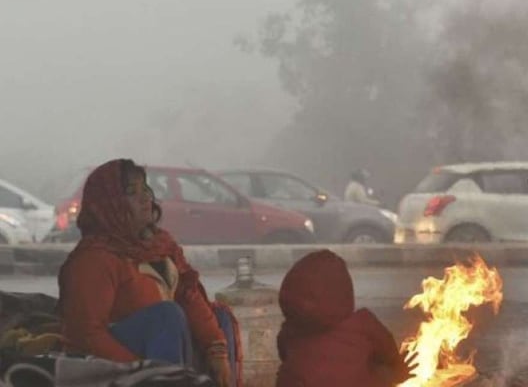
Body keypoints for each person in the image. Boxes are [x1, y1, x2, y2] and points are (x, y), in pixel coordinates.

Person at [57, 159, 240, 387]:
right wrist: (144, 371)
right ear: (110, 204)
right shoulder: (93, 259)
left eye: (145, 189)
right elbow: (85, 334)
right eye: (132, 193)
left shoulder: (160, 246)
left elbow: (189, 295)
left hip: (168, 351)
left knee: (219, 321)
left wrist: (217, 350)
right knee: (166, 316)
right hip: (120, 364)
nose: (145, 198)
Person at [276, 250, 416, 387]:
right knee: (382, 369)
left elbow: (284, 353)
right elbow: (388, 351)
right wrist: (398, 370)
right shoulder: (363, 323)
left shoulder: (290, 332)